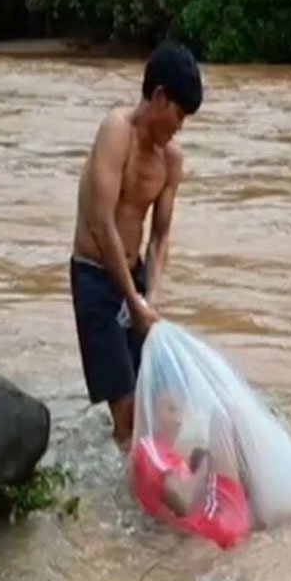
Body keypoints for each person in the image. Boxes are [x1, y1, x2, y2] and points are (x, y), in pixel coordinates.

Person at [69, 41, 202, 449]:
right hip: (95, 279)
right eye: (178, 114)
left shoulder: (171, 161)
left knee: (160, 403)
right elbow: (101, 221)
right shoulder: (116, 131)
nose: (179, 126)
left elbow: (159, 235)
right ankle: (129, 503)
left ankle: (148, 480)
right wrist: (133, 298)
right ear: (159, 97)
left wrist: (150, 297)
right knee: (127, 413)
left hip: (136, 281)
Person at [130, 390, 251, 549]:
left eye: (181, 409)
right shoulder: (149, 447)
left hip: (223, 523)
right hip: (216, 525)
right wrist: (206, 463)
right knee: (224, 412)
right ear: (151, 411)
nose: (179, 419)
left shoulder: (169, 454)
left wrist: (197, 465)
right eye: (171, 410)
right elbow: (181, 498)